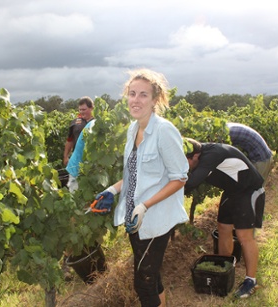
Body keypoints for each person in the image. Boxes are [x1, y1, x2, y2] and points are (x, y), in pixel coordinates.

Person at [91, 69, 189, 306]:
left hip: (155, 219)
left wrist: (145, 205)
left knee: (143, 283)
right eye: (132, 93)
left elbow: (180, 177)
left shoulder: (164, 131)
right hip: (134, 217)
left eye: (143, 95)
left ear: (155, 99)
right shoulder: (132, 129)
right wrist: (112, 190)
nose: (136, 100)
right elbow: (134, 173)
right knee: (151, 276)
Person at [184, 138, 265, 299]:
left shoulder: (210, 156)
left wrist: (160, 196)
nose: (184, 167)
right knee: (223, 228)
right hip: (232, 191)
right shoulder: (199, 154)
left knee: (244, 236)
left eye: (185, 162)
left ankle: (251, 281)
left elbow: (189, 184)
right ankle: (224, 267)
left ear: (195, 157)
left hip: (249, 190)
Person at [65, 119, 96, 193]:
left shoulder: (93, 123)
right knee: (76, 196)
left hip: (84, 167)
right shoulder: (93, 126)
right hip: (77, 168)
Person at [63, 96, 94, 166]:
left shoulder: (97, 122)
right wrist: (65, 156)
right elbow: (69, 140)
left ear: (91, 108)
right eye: (80, 110)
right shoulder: (75, 123)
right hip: (77, 159)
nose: (81, 112)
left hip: (93, 160)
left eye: (84, 109)